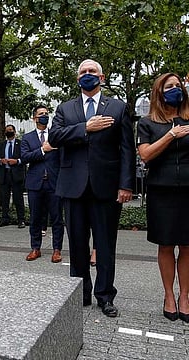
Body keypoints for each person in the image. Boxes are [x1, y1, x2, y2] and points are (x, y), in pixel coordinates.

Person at [48, 59, 136, 317]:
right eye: (83, 72)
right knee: (76, 244)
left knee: (106, 244)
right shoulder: (66, 108)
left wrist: (126, 184)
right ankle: (81, 293)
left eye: (92, 72)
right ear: (77, 79)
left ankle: (105, 296)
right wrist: (85, 127)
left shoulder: (118, 108)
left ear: (102, 77)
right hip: (73, 187)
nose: (87, 75)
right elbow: (54, 137)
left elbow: (126, 150)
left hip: (106, 188)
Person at [136, 72, 189, 322]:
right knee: (166, 245)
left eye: (178, 86)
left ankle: (185, 296)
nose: (175, 89)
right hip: (162, 190)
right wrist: (170, 135)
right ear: (159, 92)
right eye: (169, 86)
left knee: (188, 246)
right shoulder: (147, 123)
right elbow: (145, 155)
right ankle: (169, 295)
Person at [21, 105, 64, 263]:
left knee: (57, 218)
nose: (44, 116)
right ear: (34, 118)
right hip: (35, 184)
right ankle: (35, 248)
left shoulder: (56, 135)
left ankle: (57, 250)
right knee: (35, 218)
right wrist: (42, 150)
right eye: (41, 114)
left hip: (54, 183)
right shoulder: (27, 138)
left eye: (46, 113)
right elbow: (25, 157)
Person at [0, 124, 26, 228]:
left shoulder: (21, 144)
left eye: (11, 130)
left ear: (14, 131)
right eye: (7, 130)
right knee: (4, 198)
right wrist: (0, 160)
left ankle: (21, 220)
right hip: (4, 174)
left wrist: (17, 161)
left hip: (16, 174)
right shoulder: (1, 145)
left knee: (18, 198)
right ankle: (5, 218)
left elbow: (26, 158)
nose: (9, 131)